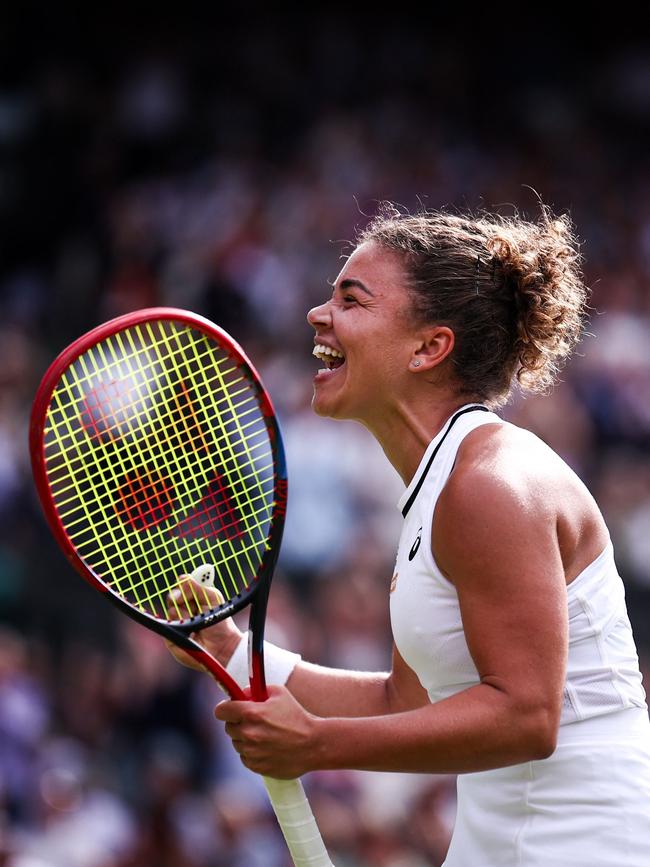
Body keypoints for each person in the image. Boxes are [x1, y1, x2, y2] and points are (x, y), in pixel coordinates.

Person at [167, 201, 650, 866]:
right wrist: (236, 648)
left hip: (579, 845)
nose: (317, 313)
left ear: (429, 346)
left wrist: (318, 743)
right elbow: (407, 699)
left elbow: (527, 717)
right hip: (503, 839)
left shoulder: (489, 485)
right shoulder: (440, 486)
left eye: (351, 300)